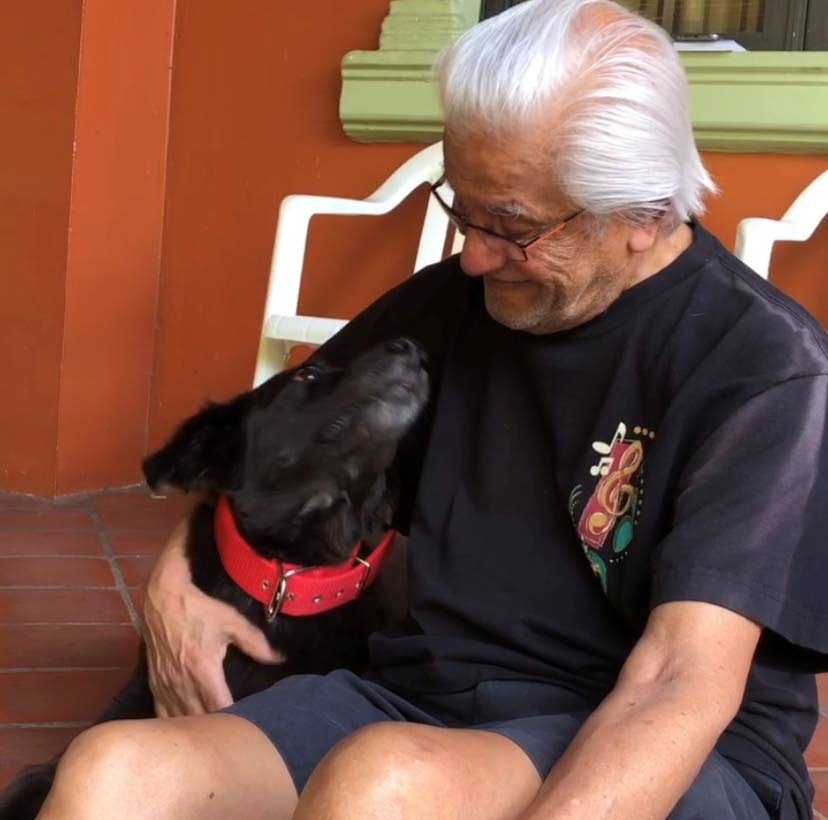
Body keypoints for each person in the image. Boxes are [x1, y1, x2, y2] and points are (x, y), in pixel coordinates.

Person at [39, 1, 828, 818]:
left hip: (662, 746)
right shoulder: (468, 297)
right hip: (424, 703)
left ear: (645, 212)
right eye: (465, 209)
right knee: (113, 770)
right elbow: (269, 433)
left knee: (382, 786)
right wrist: (176, 582)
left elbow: (679, 683)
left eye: (512, 226)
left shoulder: (765, 370)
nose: (474, 253)